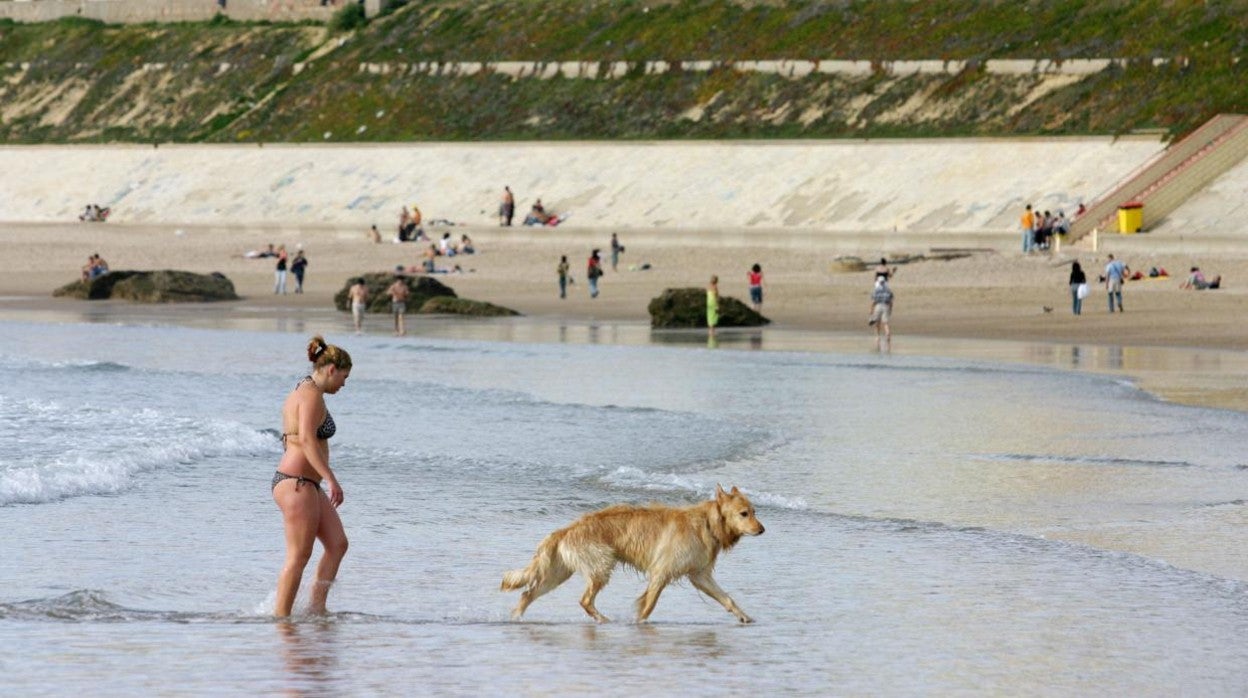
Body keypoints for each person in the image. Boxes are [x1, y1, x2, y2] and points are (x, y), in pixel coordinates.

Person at [271, 335, 352, 618]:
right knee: (298, 557)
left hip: (307, 484)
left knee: (338, 544)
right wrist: (331, 478)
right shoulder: (311, 395)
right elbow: (306, 440)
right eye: (343, 377)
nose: (344, 384)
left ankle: (316, 609)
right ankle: (281, 621)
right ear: (331, 369)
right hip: (297, 484)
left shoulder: (303, 389)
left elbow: (292, 437)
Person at [868, 276, 893, 347]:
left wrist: (871, 310)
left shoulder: (876, 290)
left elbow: (873, 302)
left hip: (878, 306)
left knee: (877, 322)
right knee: (885, 323)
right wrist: (890, 309)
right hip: (886, 306)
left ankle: (878, 336)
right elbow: (891, 302)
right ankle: (888, 335)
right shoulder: (888, 290)